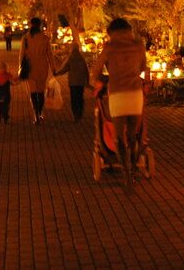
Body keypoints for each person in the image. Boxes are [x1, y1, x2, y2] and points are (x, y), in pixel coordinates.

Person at [90, 18, 147, 183]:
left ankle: (126, 173)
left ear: (111, 33)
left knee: (119, 137)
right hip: (135, 93)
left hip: (117, 94)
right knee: (133, 135)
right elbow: (142, 67)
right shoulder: (139, 45)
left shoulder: (109, 47)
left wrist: (104, 80)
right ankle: (134, 168)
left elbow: (95, 72)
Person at [19, 17, 56, 125]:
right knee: (40, 91)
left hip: (30, 67)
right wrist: (53, 69)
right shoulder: (45, 38)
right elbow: (50, 55)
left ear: (30, 25)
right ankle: (40, 113)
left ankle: (36, 115)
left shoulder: (25, 38)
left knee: (32, 92)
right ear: (40, 25)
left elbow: (21, 55)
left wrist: (20, 68)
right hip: (42, 68)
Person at [54, 42, 89, 122]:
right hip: (81, 82)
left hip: (73, 82)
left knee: (74, 98)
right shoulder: (81, 58)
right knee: (80, 97)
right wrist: (87, 81)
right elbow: (86, 70)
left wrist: (57, 73)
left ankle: (75, 115)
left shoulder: (71, 58)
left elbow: (64, 68)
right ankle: (80, 113)